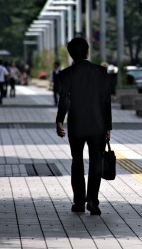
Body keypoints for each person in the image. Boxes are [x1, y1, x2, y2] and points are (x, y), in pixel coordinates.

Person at [55, 38, 112, 215]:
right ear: (87, 51)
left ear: (71, 54)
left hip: (77, 124)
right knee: (96, 162)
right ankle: (93, 201)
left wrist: (59, 120)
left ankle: (79, 201)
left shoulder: (65, 74)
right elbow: (105, 101)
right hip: (98, 125)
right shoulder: (101, 72)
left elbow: (64, 99)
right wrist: (108, 126)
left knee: (77, 162)